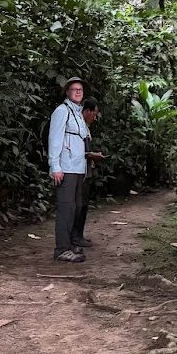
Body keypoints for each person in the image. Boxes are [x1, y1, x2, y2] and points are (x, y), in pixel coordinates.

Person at [48, 77, 90, 262]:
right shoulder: (62, 111)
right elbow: (55, 139)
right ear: (67, 92)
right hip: (66, 167)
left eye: (80, 89)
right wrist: (55, 166)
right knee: (66, 208)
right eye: (74, 89)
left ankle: (70, 243)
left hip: (78, 167)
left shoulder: (78, 113)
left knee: (75, 207)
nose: (78, 92)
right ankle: (62, 249)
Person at [73, 97, 104, 251]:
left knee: (83, 204)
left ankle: (79, 234)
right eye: (94, 113)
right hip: (80, 171)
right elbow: (80, 151)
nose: (95, 117)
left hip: (86, 170)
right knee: (80, 204)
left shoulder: (85, 127)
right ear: (87, 111)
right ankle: (76, 236)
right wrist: (91, 155)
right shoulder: (79, 127)